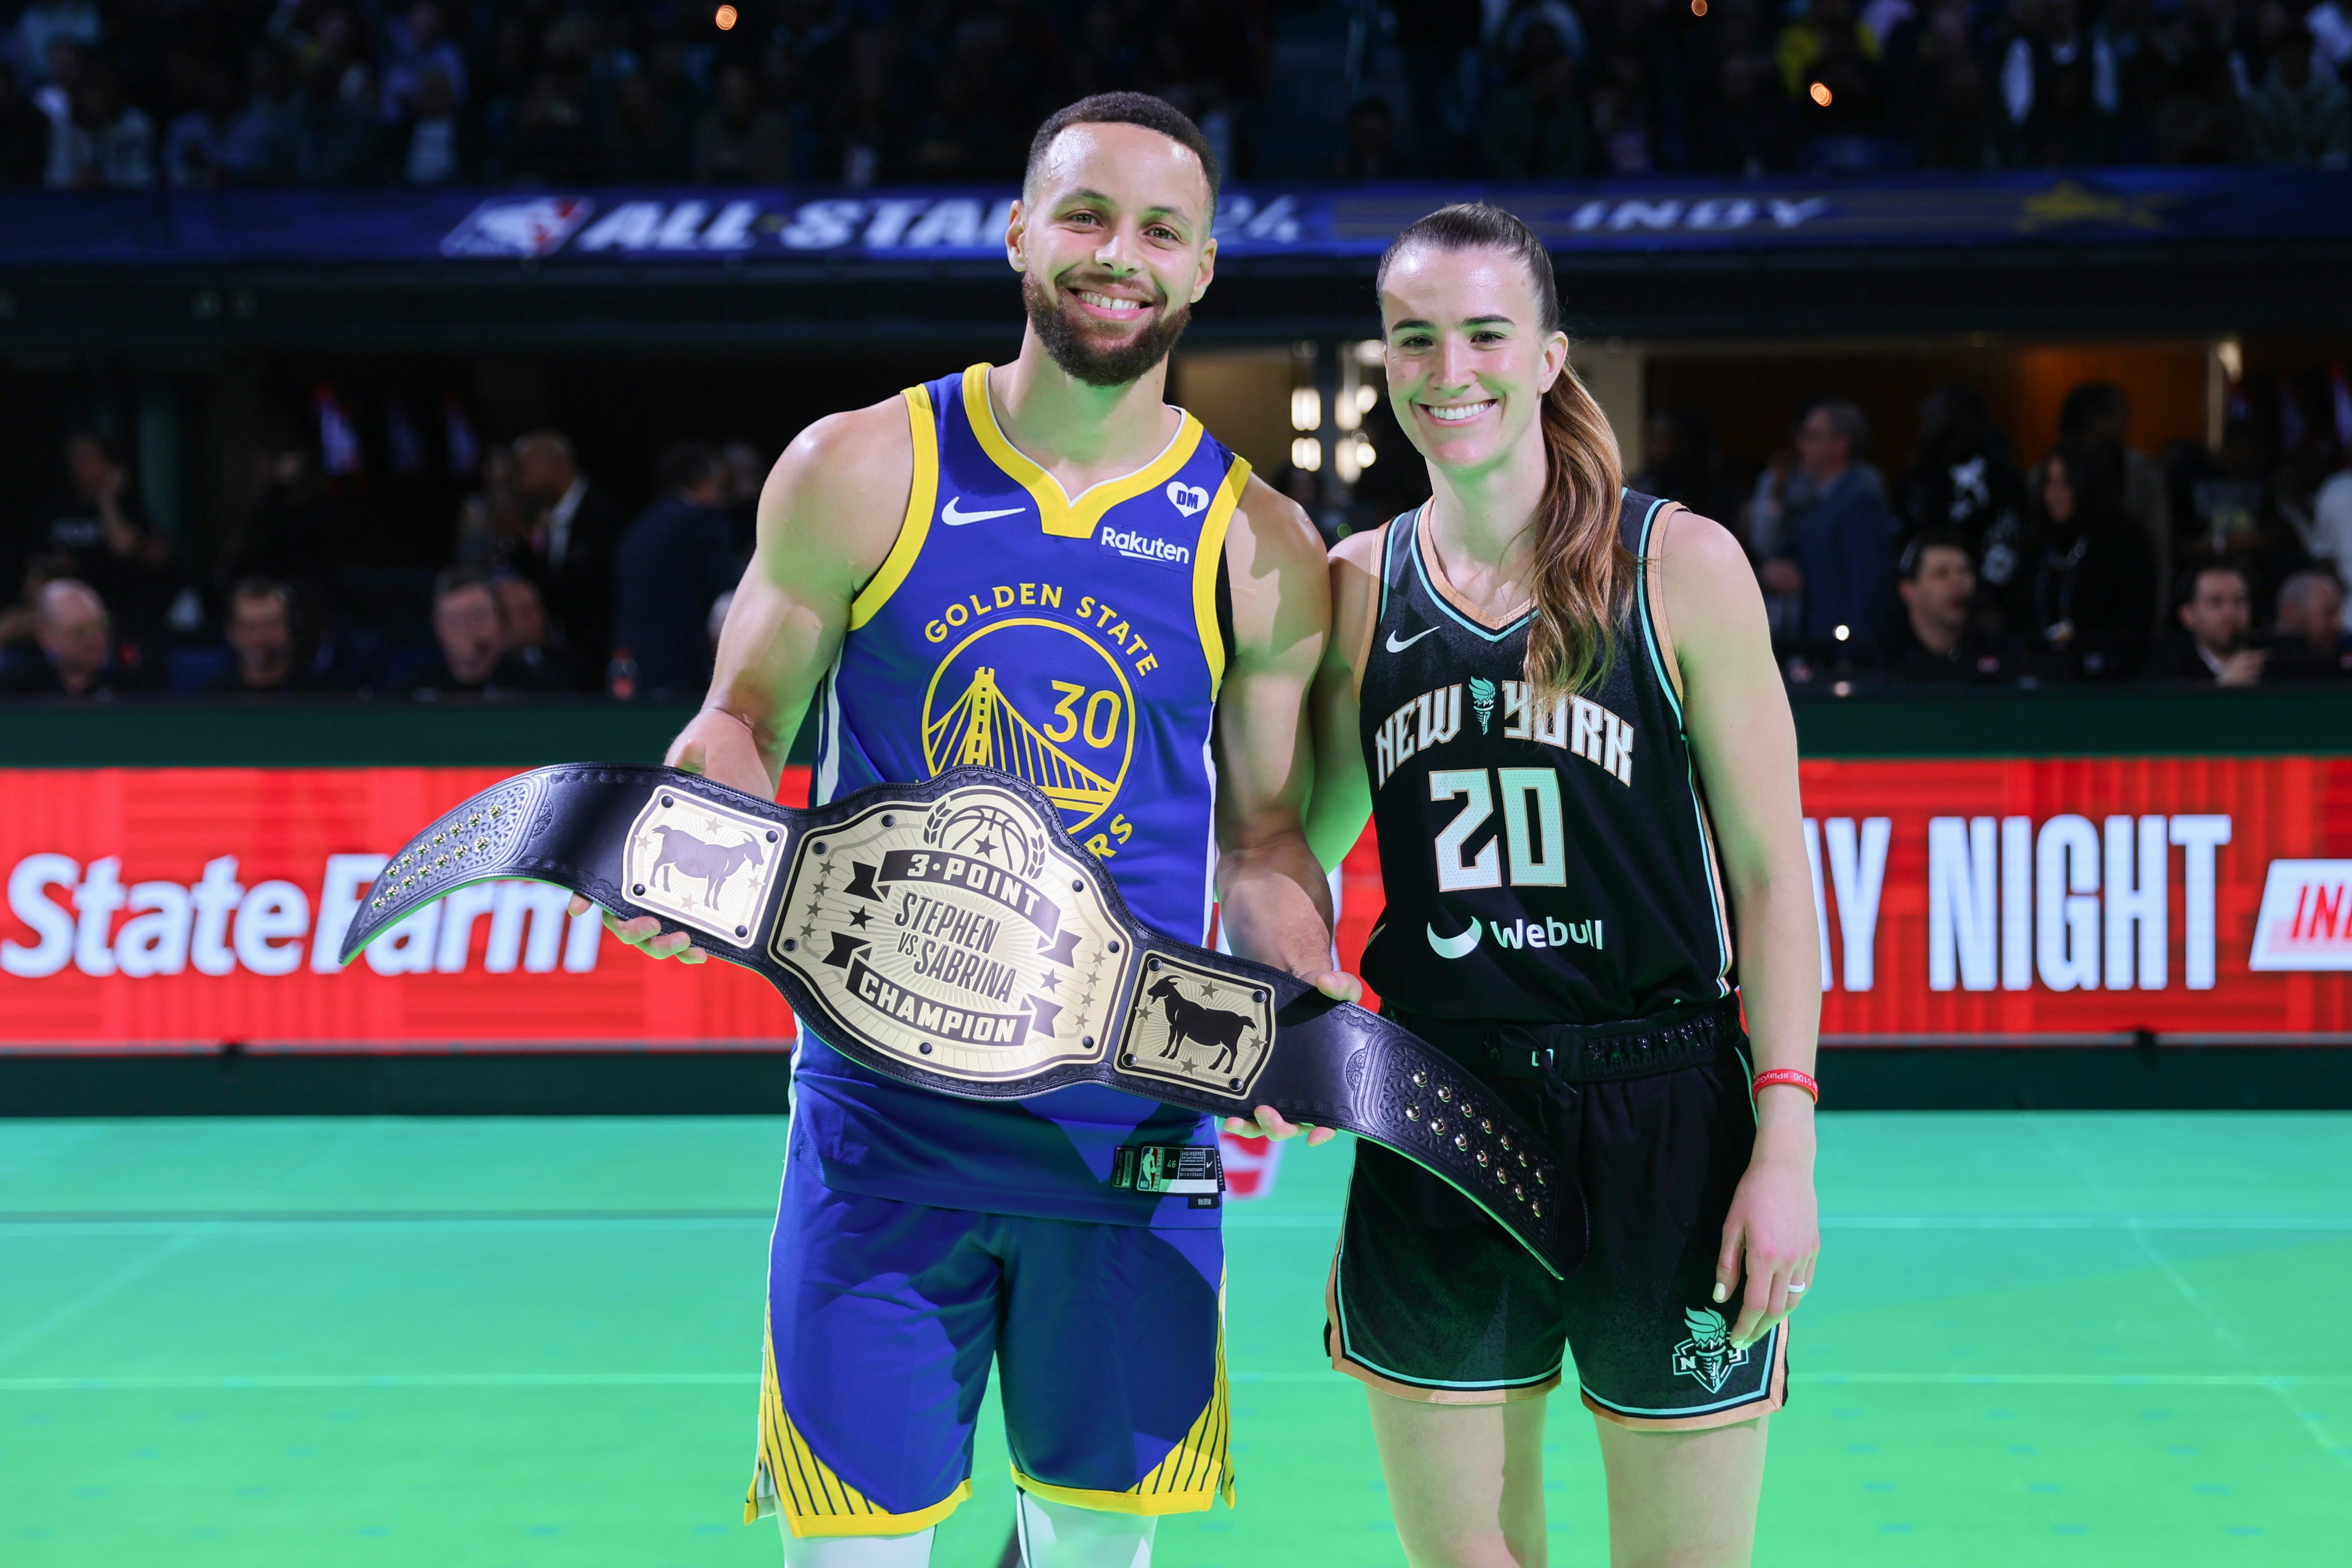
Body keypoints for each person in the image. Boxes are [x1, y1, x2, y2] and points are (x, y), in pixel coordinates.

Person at [573, 93, 1340, 1566]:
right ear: (1017, 233)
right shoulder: (861, 465)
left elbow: (1258, 838)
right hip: (881, 1129)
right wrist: (697, 816)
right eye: (1084, 215)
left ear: (1201, 269)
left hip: (1128, 1135)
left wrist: (1292, 983)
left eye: (1160, 231)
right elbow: (744, 716)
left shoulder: (1259, 543)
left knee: (1090, 1549)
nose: (1117, 255)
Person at [1304, 203, 1819, 1568]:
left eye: (1485, 334)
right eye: (1414, 338)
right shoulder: (1356, 588)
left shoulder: (1677, 567)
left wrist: (1785, 1143)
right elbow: (1297, 848)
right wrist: (1282, 1015)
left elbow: (1771, 875)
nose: (1448, 369)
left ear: (1547, 356)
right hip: (1435, 1100)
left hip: (1662, 1105)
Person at [1761, 398, 1896, 653]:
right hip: (1818, 644)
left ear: (1840, 445)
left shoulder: (1859, 501)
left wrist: (1851, 650)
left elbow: (1866, 587)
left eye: (1811, 437)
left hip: (1841, 650)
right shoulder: (1821, 499)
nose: (1800, 445)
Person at [610, 441, 742, 698]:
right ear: (703, 483)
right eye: (721, 486)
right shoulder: (703, 519)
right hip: (680, 670)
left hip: (631, 668)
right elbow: (729, 592)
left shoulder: (639, 527)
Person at [2024, 440, 2156, 678]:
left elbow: (2135, 621)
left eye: (2065, 482)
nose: (2054, 493)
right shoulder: (2037, 543)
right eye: (2049, 482)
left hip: (2108, 679)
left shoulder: (2123, 543)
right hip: (2041, 675)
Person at [511, 430, 627, 689]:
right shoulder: (542, 522)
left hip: (601, 663)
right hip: (565, 665)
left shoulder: (603, 517)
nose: (519, 481)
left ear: (553, 464)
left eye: (524, 469)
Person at [1876, 530, 2021, 682]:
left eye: (1964, 571)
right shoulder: (1880, 658)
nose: (1958, 582)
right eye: (1942, 574)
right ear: (1909, 590)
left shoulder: (2000, 653)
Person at [412, 566, 559, 695]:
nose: (466, 628)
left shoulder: (539, 690)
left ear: (500, 619)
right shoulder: (414, 694)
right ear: (439, 627)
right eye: (455, 620)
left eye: (478, 616)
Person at [0, 577, 152, 696]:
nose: (95, 639)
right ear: (46, 638)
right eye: (79, 632)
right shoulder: (17, 686)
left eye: (100, 626)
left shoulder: (133, 681)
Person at [2143, 560, 2265, 684]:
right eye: (2216, 602)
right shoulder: (2165, 673)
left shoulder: (2269, 661)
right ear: (2188, 615)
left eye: (2239, 600)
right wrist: (2222, 687)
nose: (2230, 613)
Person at [200, 577, 318, 694]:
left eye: (271, 625)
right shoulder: (209, 699)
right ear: (231, 632)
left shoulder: (320, 695)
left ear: (291, 628)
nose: (260, 637)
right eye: (249, 627)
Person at [2267, 568, 2351, 680]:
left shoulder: (2344, 660)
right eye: (2329, 614)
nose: (2339, 625)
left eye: (2338, 614)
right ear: (2291, 614)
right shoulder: (2255, 670)